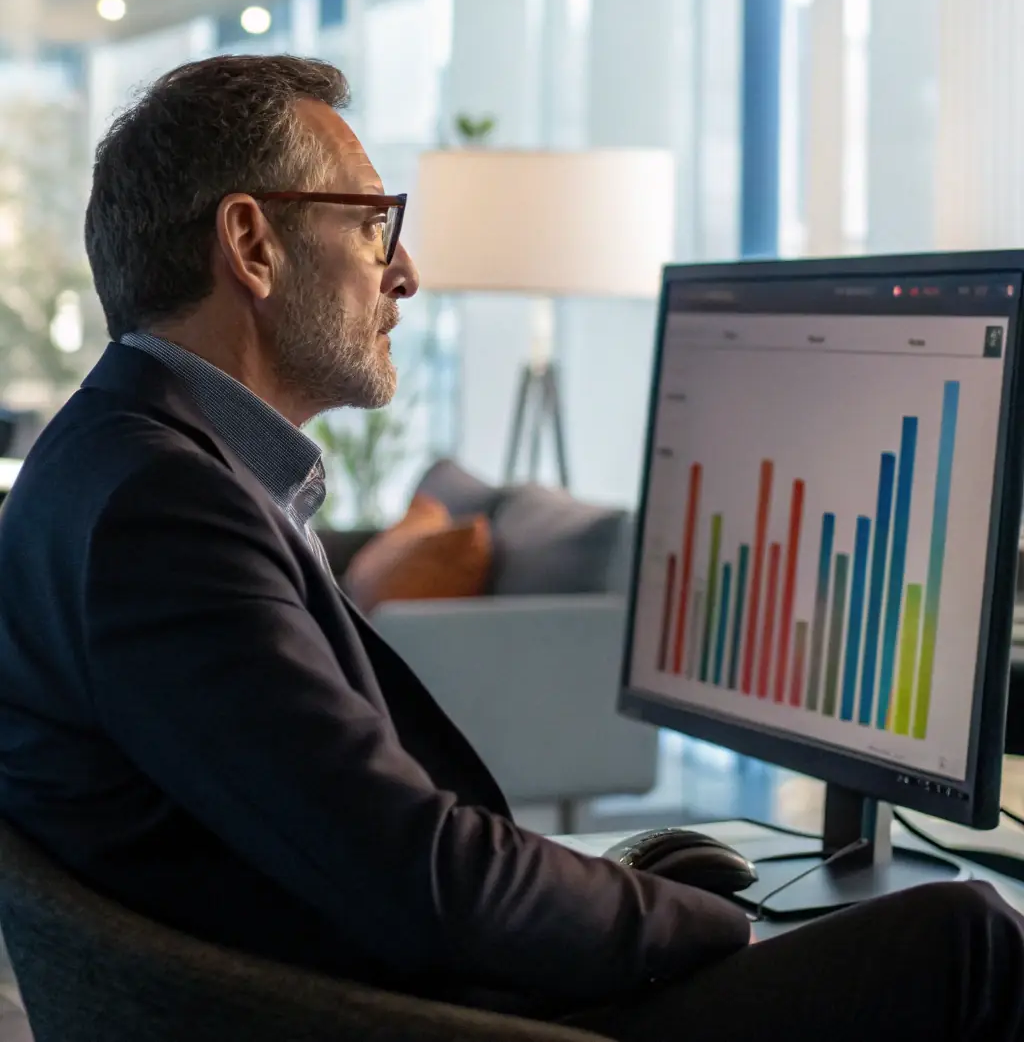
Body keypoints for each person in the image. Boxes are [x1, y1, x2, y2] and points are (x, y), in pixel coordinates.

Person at [0, 54, 1020, 1042]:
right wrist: (709, 922)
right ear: (252, 245)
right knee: (967, 940)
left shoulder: (116, 460)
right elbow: (431, 881)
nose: (404, 270)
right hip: (394, 1015)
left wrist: (623, 898)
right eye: (372, 224)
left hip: (337, 982)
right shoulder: (162, 511)